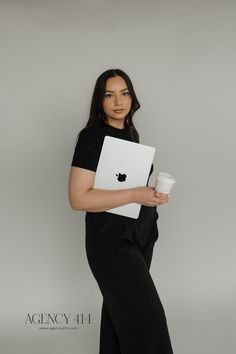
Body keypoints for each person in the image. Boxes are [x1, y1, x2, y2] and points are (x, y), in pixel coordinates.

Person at [68, 68, 174, 354]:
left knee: (120, 321)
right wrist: (134, 193)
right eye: (109, 94)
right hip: (110, 242)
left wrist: (149, 196)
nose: (119, 101)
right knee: (148, 323)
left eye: (124, 93)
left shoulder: (129, 133)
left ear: (132, 97)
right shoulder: (92, 137)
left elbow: (122, 187)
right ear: (99, 102)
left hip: (138, 236)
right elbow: (78, 199)